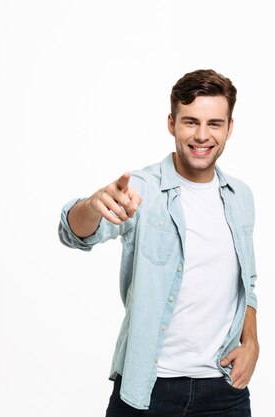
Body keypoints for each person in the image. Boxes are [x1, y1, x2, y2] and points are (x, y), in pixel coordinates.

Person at [58, 69, 259, 416]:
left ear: (229, 128)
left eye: (214, 123)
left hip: (223, 390)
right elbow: (75, 233)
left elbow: (247, 283)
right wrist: (91, 206)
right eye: (190, 122)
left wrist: (251, 341)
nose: (202, 135)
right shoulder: (141, 189)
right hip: (149, 389)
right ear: (171, 123)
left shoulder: (240, 196)